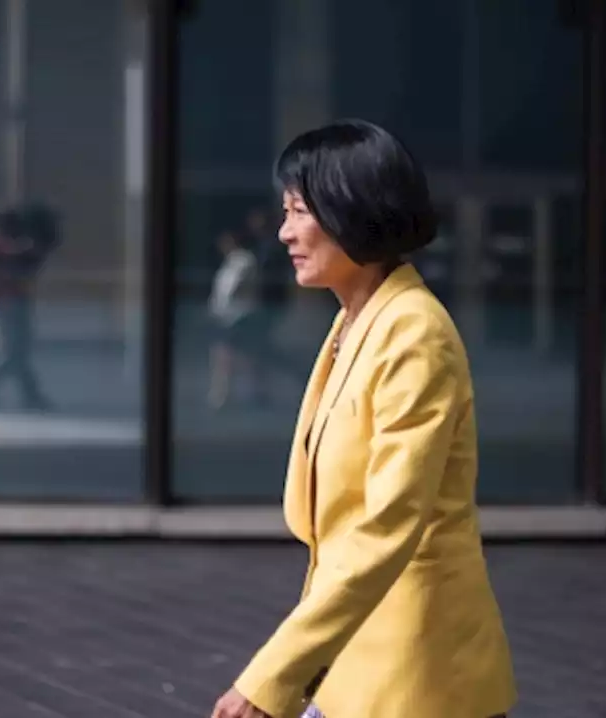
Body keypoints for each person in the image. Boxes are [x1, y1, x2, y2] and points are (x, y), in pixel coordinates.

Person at [211, 119, 516, 718]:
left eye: (300, 211)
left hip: (417, 674)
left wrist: (272, 675)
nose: (284, 232)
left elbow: (386, 526)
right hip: (358, 660)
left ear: (353, 210)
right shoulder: (358, 322)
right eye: (286, 211)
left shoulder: (414, 333)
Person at [0, 203, 56, 411]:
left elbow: (24, 260)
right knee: (14, 354)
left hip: (16, 299)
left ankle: (29, 395)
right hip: (6, 301)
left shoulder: (2, 242)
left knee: (19, 353)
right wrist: (32, 248)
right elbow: (15, 258)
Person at [207, 229, 263, 409]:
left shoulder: (244, 261)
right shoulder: (231, 261)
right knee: (226, 355)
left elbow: (236, 289)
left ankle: (228, 394)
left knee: (232, 356)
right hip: (226, 317)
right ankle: (225, 393)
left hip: (239, 316)